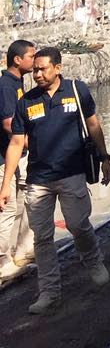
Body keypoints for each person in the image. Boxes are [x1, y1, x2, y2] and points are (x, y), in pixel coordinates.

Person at [0, 46, 110, 313]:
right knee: (42, 238)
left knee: (77, 224)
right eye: (35, 69)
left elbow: (93, 124)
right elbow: (16, 143)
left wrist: (104, 157)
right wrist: (5, 185)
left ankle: (93, 260)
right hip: (39, 180)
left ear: (58, 68)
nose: (37, 74)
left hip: (72, 174)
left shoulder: (76, 90)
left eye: (42, 69)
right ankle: (49, 292)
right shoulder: (26, 101)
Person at [0, 39, 36, 276]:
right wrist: (33, 142)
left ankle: (23, 251)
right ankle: (2, 261)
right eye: (31, 56)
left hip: (19, 153)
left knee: (28, 200)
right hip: (5, 156)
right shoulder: (5, 85)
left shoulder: (18, 82)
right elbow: (7, 123)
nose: (35, 60)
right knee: (8, 206)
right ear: (17, 59)